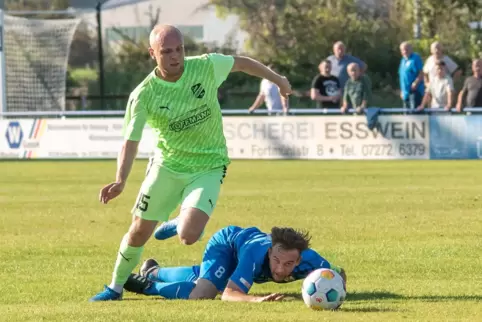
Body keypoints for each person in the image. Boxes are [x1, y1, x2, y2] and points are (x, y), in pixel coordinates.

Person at [89, 25, 292, 302]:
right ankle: (114, 288)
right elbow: (130, 141)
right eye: (166, 51)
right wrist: (121, 180)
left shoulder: (206, 67)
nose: (175, 57)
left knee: (188, 235)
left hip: (208, 166)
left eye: (179, 49)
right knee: (138, 231)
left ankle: (181, 221)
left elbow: (242, 63)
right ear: (152, 54)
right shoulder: (144, 94)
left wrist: (278, 79)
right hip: (167, 166)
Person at [122, 226, 347, 302]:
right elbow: (229, 294)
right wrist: (255, 300)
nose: (280, 269)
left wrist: (338, 289)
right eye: (276, 260)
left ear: (299, 260)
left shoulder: (313, 261)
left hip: (241, 248)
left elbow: (338, 273)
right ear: (270, 251)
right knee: (204, 293)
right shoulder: (255, 255)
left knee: (206, 276)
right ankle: (147, 285)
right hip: (227, 245)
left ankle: (153, 271)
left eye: (289, 264)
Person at [398, 41, 425, 110]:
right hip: (405, 93)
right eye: (402, 50)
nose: (404, 51)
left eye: (406, 49)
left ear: (411, 49)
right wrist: (402, 90)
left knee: (414, 113)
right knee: (406, 114)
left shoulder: (415, 58)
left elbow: (421, 73)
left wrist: (416, 82)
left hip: (414, 92)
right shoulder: (403, 60)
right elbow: (403, 76)